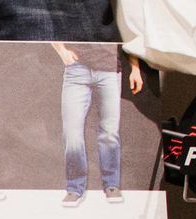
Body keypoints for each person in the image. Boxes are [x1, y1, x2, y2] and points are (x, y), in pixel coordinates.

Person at [53, 41, 143, 207]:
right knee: (71, 133)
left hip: (110, 69)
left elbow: (128, 35)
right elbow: (49, 23)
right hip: (76, 69)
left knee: (109, 132)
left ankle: (111, 185)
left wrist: (135, 69)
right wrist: (62, 51)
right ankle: (74, 188)